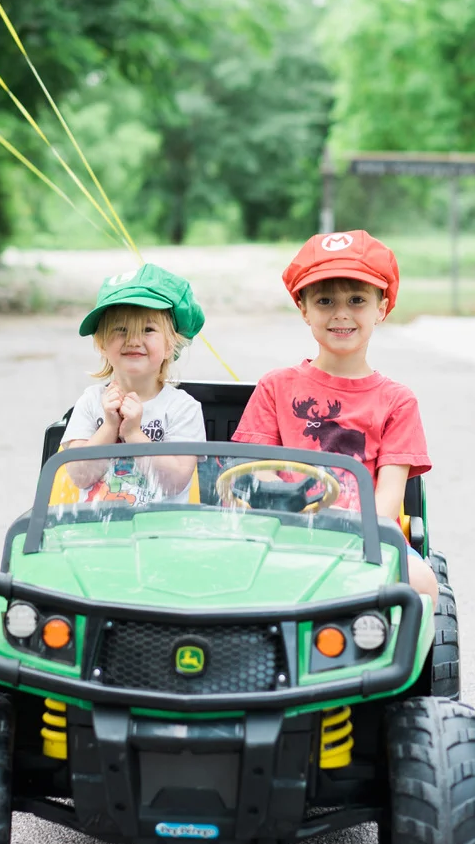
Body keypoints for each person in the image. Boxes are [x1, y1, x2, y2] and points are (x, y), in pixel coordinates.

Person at [232, 230, 439, 605]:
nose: (341, 313)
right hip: (285, 534)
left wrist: (352, 536)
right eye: (325, 300)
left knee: (424, 583)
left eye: (357, 299)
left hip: (367, 538)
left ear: (381, 307)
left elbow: (388, 502)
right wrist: (289, 516)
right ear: (304, 309)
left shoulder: (397, 401)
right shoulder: (275, 387)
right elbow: (257, 471)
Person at [61, 263, 206, 506]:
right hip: (97, 531)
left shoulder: (183, 408)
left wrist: (133, 433)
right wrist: (110, 426)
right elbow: (79, 476)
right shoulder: (91, 401)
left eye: (148, 329)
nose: (133, 339)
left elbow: (175, 483)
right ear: (102, 344)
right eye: (121, 329)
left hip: (162, 531)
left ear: (171, 345)